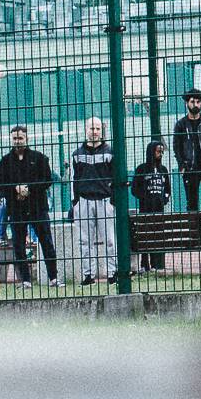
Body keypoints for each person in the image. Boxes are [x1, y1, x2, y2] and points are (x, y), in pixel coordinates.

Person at [0, 124, 60, 287]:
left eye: (20, 138)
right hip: (16, 208)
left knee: (46, 242)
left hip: (38, 206)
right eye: (15, 138)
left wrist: (29, 189)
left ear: (27, 138)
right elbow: (0, 183)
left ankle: (53, 277)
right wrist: (15, 189)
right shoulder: (6, 161)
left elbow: (47, 180)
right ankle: (25, 280)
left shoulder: (39, 158)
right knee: (18, 244)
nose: (17, 141)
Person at [66, 117, 119, 284]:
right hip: (84, 201)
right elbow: (74, 179)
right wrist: (75, 203)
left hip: (105, 200)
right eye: (91, 128)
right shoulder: (77, 154)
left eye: (97, 129)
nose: (94, 132)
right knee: (84, 241)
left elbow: (116, 178)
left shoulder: (110, 152)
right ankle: (88, 275)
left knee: (110, 240)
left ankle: (113, 273)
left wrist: (113, 200)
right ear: (86, 130)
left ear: (101, 131)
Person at [128, 140, 172, 270]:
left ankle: (156, 264)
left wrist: (164, 199)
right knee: (145, 236)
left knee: (157, 236)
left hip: (159, 209)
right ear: (151, 152)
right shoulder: (142, 168)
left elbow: (168, 189)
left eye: (162, 151)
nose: (161, 154)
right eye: (158, 151)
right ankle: (144, 264)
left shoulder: (163, 170)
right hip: (145, 208)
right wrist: (145, 197)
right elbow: (134, 189)